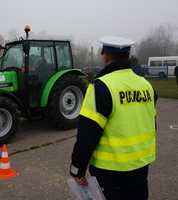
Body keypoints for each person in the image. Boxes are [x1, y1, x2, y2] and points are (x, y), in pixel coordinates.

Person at [70, 36, 157, 200]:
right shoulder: (146, 85)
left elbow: (87, 135)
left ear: (106, 56)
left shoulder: (101, 86)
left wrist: (77, 168)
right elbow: (152, 123)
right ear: (128, 56)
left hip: (110, 172)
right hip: (141, 167)